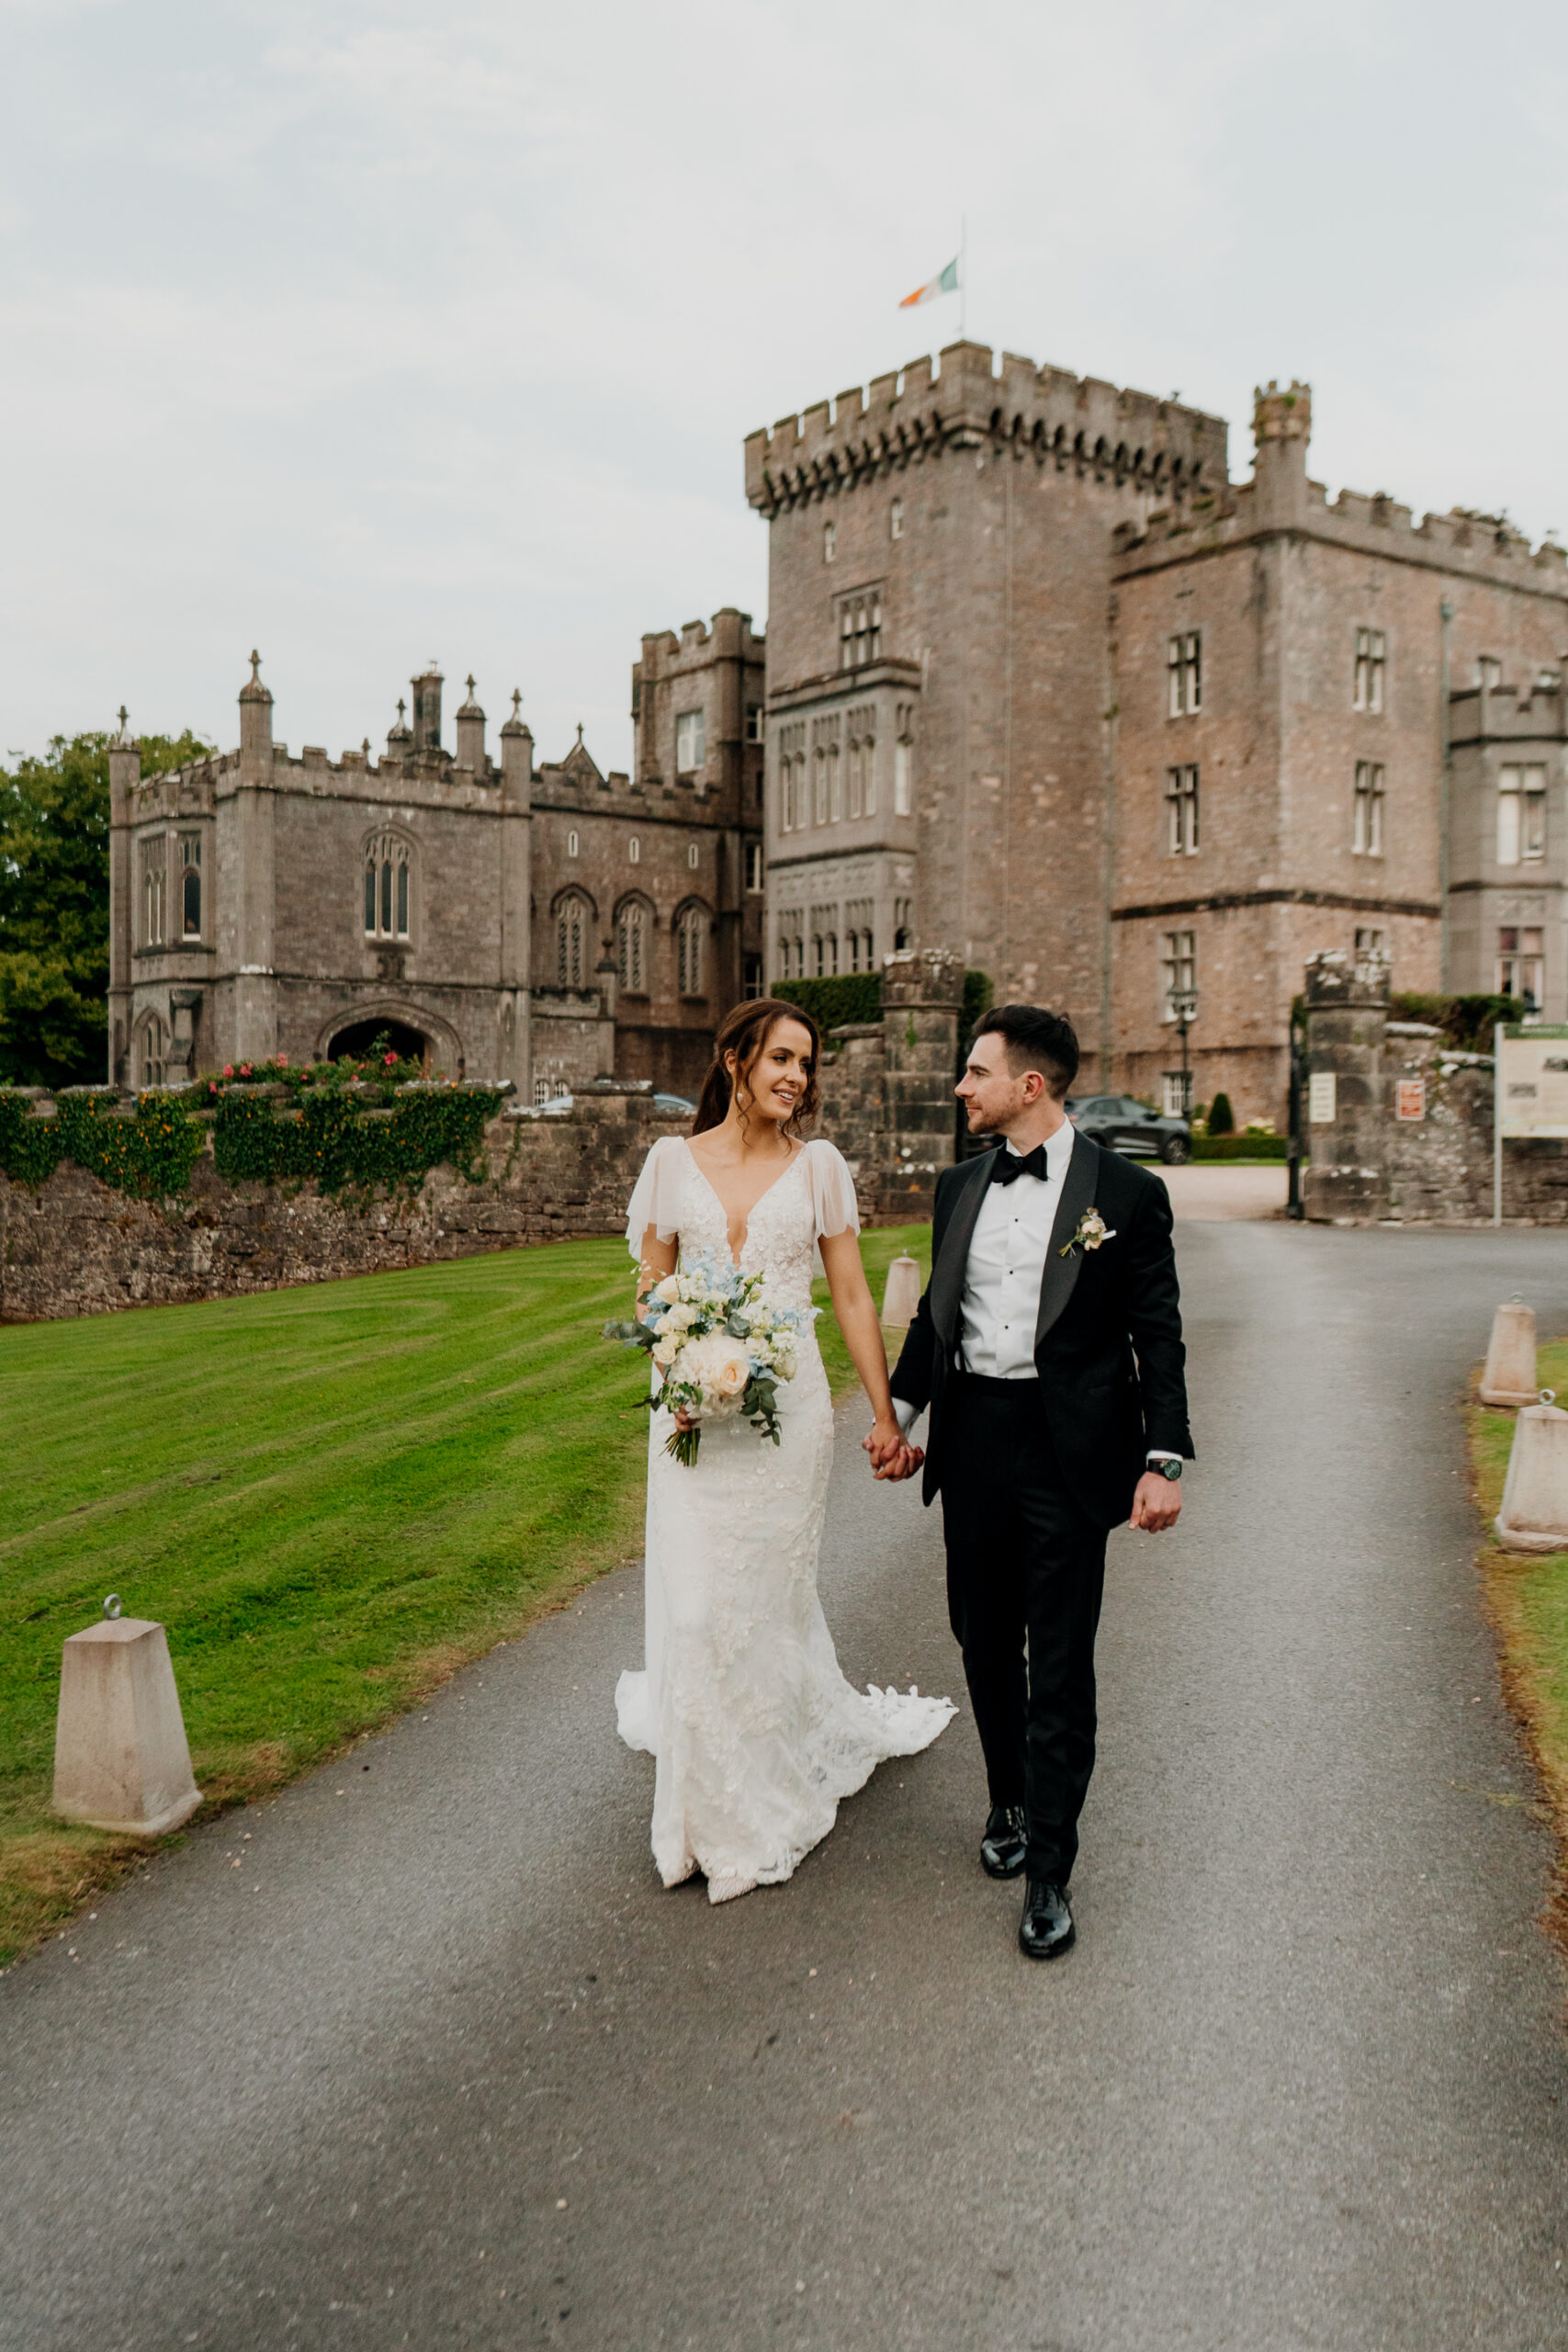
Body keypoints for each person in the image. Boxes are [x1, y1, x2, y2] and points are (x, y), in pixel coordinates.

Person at [616, 998, 953, 1903]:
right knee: (693, 1612)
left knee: (764, 1601)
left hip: (788, 1415)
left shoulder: (820, 1171)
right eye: (781, 1058)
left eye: (806, 1063)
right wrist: (676, 1358)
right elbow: (651, 1287)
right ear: (735, 1060)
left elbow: (849, 1297)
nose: (796, 1077)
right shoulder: (668, 1162)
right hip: (689, 1414)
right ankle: (697, 1809)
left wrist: (888, 1416)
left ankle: (753, 1799)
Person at [881, 1004, 1192, 1961]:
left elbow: (1158, 1334)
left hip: (1071, 1453)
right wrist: (898, 1413)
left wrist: (1163, 1457)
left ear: (1030, 1085)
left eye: (975, 1072)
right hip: (973, 1437)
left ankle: (1052, 1866)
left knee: (1058, 1658)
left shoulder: (1128, 1195)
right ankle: (1007, 1798)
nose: (961, 1087)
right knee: (981, 1636)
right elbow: (939, 1317)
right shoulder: (958, 1184)